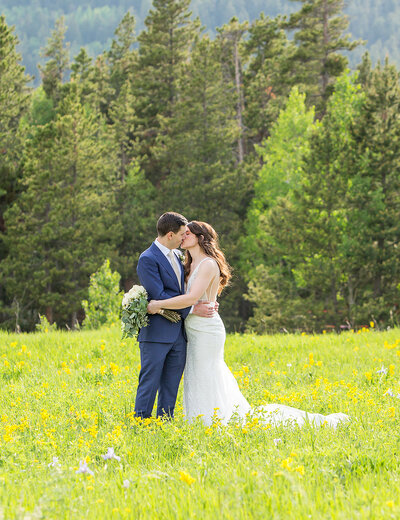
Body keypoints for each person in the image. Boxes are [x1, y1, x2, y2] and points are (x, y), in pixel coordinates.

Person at [147, 221, 350, 429]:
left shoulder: (208, 264)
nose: (183, 237)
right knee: (197, 373)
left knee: (206, 372)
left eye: (187, 233)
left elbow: (191, 298)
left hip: (207, 330)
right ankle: (202, 420)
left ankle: (212, 421)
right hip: (193, 329)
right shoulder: (187, 264)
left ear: (200, 237)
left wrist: (158, 305)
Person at [134, 212, 217, 419]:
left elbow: (189, 289)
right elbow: (158, 295)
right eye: (182, 234)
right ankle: (141, 423)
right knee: (150, 381)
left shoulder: (180, 257)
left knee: (171, 385)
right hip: (156, 334)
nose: (184, 237)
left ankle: (165, 423)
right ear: (170, 235)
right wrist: (191, 308)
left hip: (179, 335)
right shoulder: (148, 258)